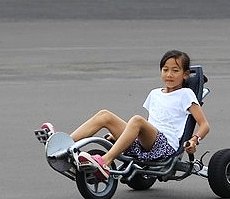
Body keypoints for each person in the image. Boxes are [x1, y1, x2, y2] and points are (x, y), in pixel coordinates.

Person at [37, 50, 210, 180]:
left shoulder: (186, 94)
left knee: (136, 120)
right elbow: (151, 122)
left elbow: (204, 125)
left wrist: (194, 141)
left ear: (185, 75)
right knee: (104, 115)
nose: (169, 74)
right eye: (165, 70)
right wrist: (119, 135)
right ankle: (63, 146)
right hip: (146, 143)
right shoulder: (155, 93)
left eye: (175, 70)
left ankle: (104, 162)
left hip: (166, 146)